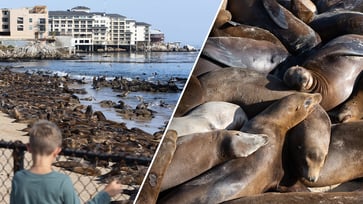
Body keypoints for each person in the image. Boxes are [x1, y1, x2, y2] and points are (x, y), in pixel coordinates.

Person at [10, 120, 123, 204]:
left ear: (29, 148)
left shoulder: (19, 179)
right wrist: (106, 194)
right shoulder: (62, 182)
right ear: (57, 151)